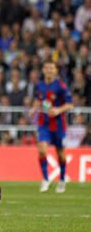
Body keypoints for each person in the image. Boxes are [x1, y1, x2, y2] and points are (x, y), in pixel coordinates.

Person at [29, 61, 73, 193]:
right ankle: (45, 179)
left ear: (55, 70)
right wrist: (34, 108)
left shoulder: (61, 86)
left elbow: (70, 104)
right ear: (43, 70)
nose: (49, 70)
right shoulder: (40, 85)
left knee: (61, 155)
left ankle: (62, 180)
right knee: (42, 150)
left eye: (51, 68)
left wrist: (58, 110)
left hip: (59, 125)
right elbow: (39, 99)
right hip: (44, 124)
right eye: (46, 68)